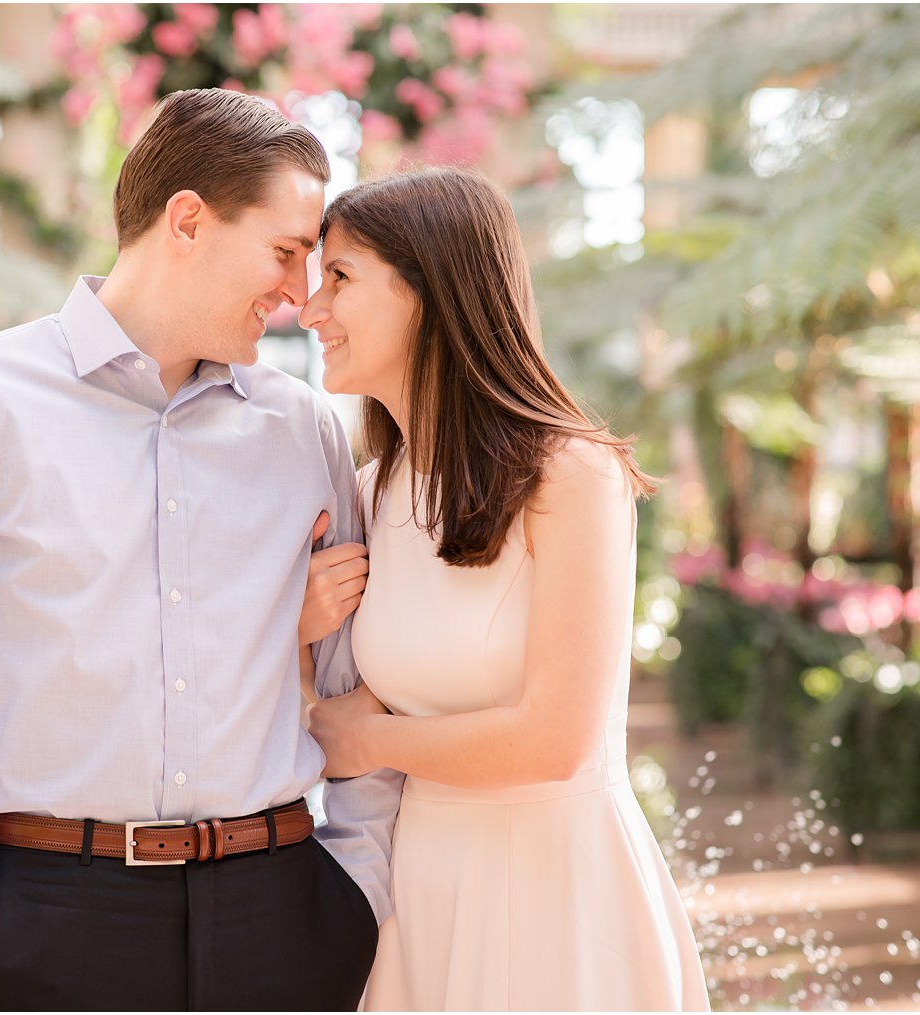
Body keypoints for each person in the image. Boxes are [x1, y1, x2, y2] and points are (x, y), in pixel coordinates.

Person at [0, 88, 400, 1012]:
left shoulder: (301, 426)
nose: (300, 295)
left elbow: (356, 677)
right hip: (49, 923)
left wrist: (357, 894)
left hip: (285, 916)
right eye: (286, 251)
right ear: (187, 220)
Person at [297, 168, 711, 1011]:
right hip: (421, 893)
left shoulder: (571, 476)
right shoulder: (373, 492)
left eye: (339, 277)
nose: (310, 311)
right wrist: (298, 627)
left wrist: (372, 743)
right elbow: (341, 709)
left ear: (429, 290)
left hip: (559, 895)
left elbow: (553, 738)